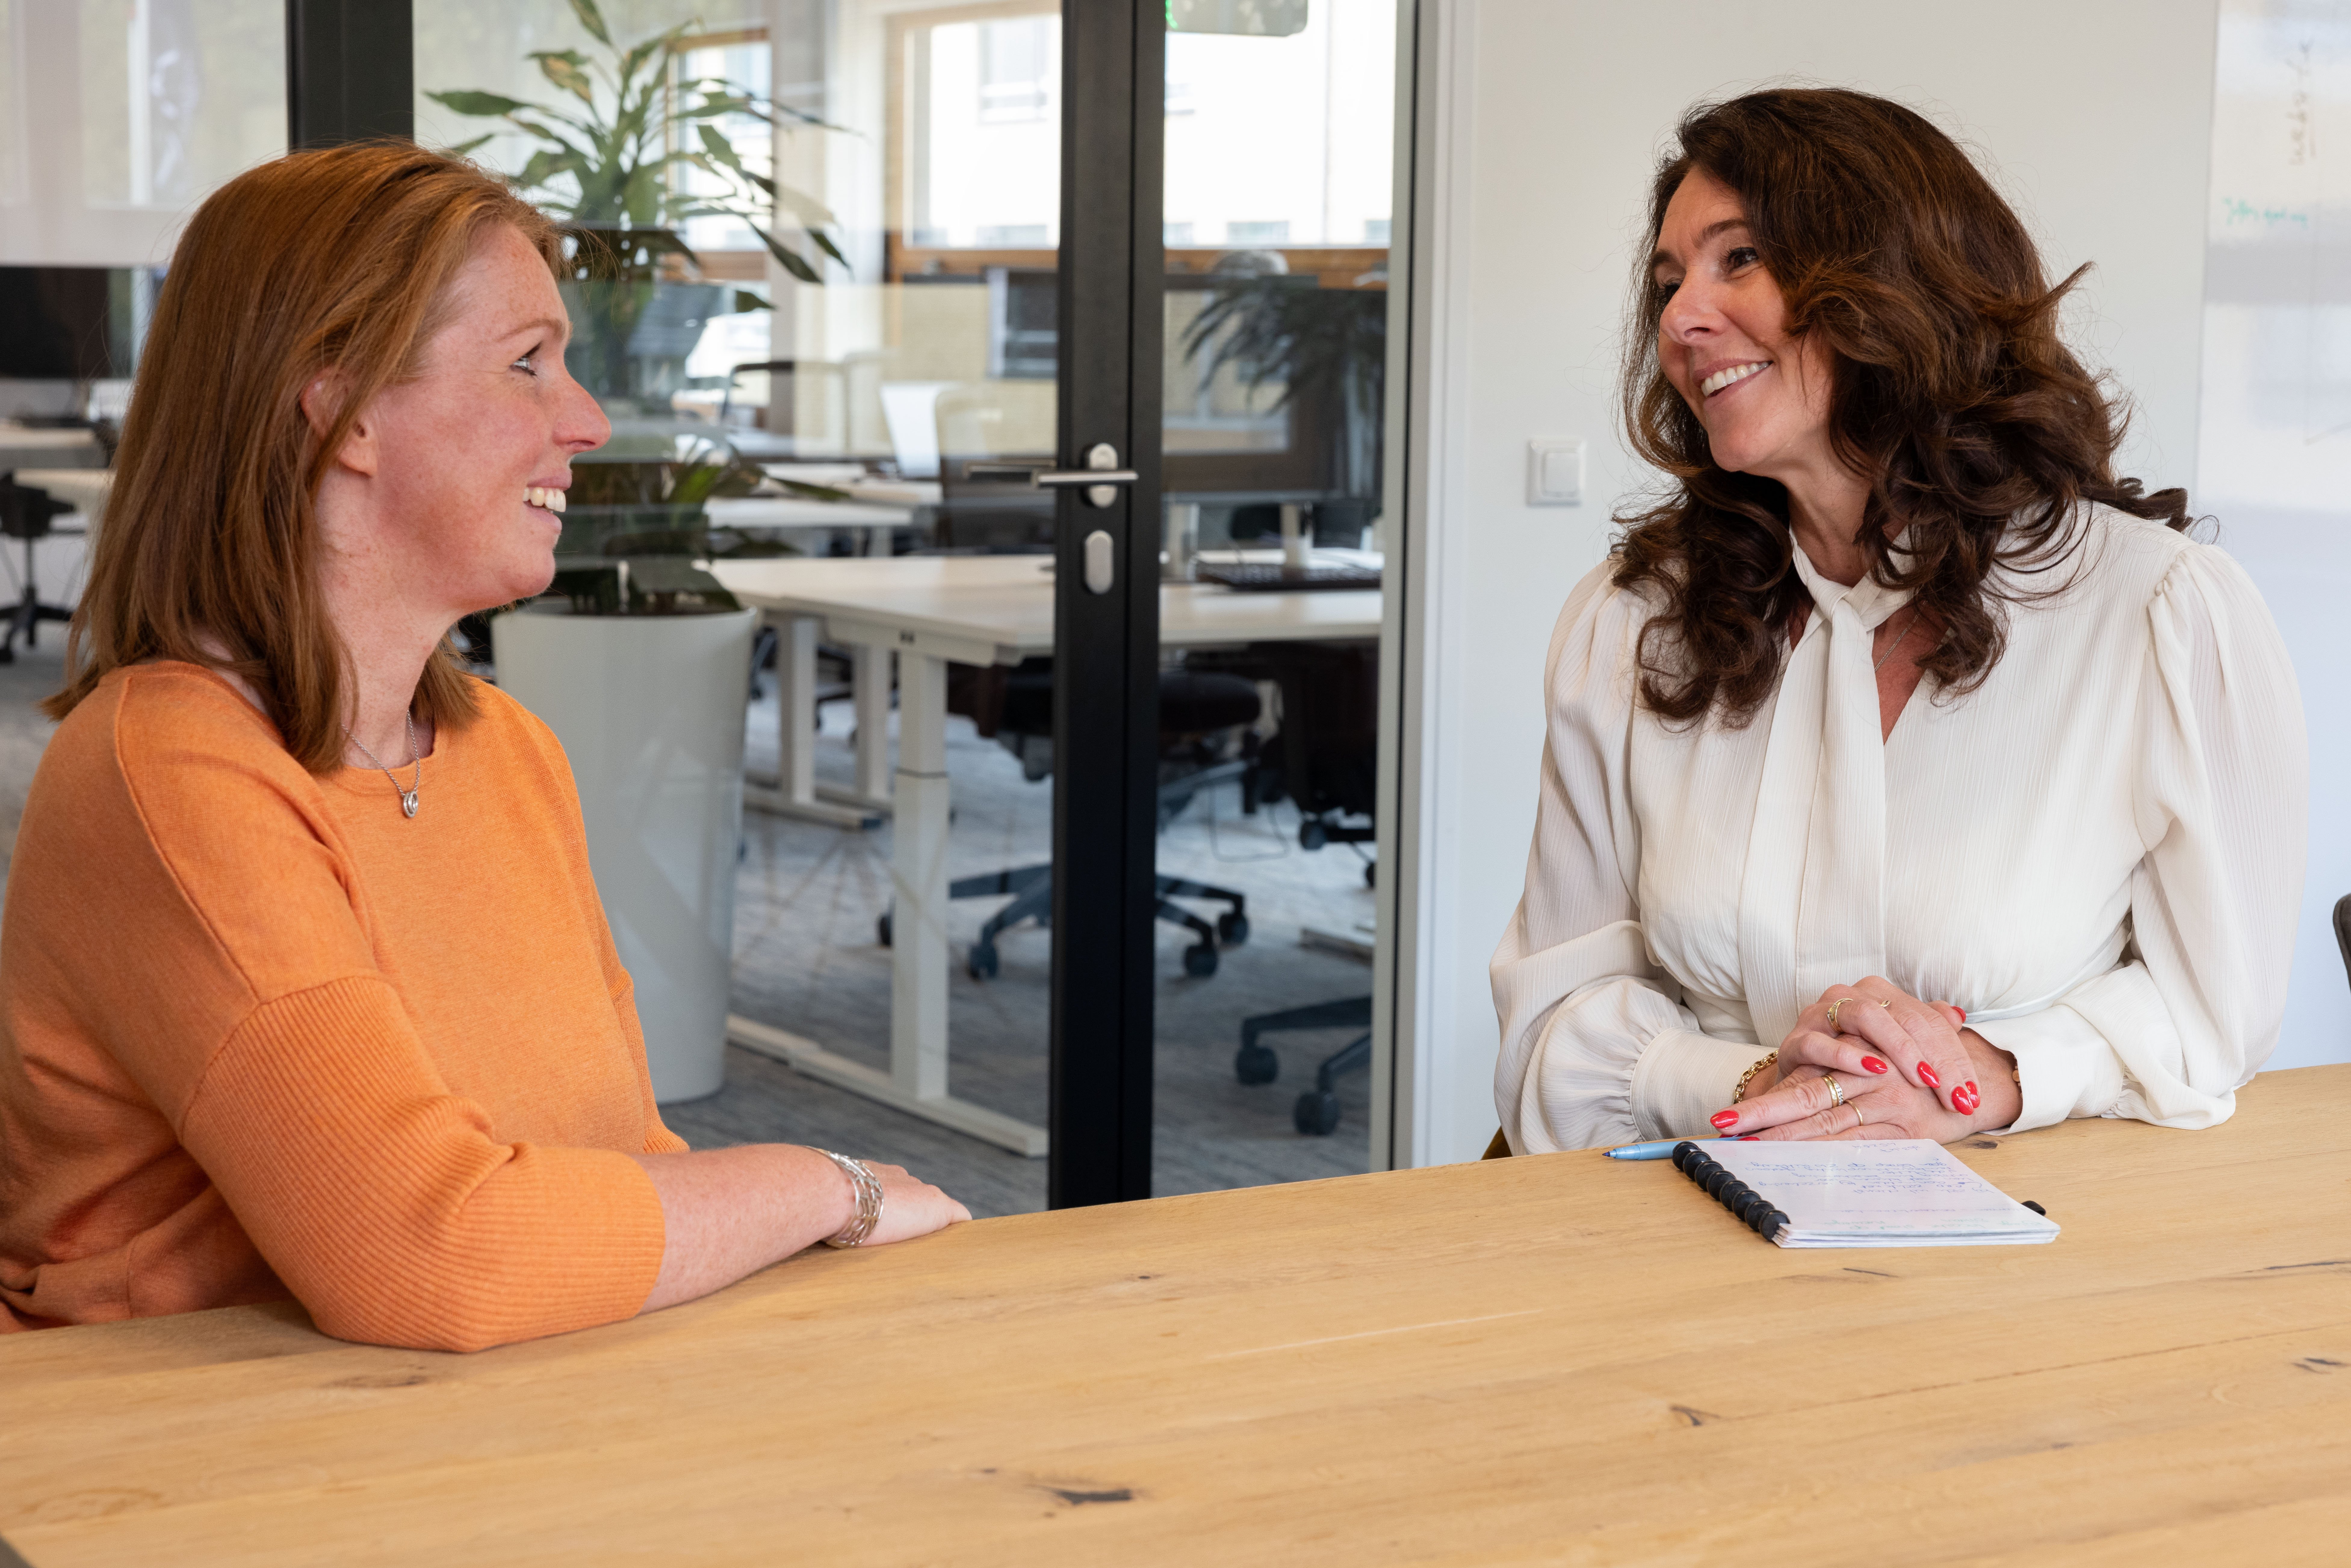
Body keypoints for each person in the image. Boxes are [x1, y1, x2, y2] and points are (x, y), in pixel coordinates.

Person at [0, 142, 969, 1352]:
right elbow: (432, 1254)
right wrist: (836, 1183)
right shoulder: (168, 770)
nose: (588, 421)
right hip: (198, 1476)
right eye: (527, 365)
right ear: (344, 410)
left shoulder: (506, 749)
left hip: (497, 1419)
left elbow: (623, 1168)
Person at [1491, 89, 2307, 1154]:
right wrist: (1755, 1079)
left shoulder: (2161, 614)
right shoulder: (1629, 623)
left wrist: (1997, 1072)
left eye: (1737, 259)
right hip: (1680, 1224)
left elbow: (2215, 1015)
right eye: (1667, 280)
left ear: (1893, 284)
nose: (1680, 318)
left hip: (2032, 1237)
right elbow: (1549, 1022)